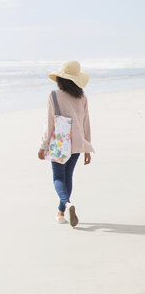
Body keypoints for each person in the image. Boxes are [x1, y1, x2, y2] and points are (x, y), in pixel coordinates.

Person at [38, 61, 95, 227]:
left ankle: (67, 204)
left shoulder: (54, 95)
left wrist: (43, 146)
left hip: (60, 143)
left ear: (60, 79)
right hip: (77, 143)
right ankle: (61, 212)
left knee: (58, 177)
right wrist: (87, 148)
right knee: (68, 176)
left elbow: (49, 123)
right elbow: (86, 122)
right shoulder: (82, 97)